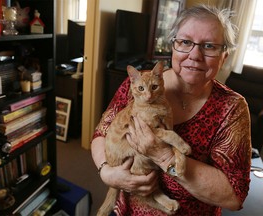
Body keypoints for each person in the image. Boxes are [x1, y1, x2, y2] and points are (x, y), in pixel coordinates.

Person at [91, 4, 251, 216]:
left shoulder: (232, 109)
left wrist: (164, 156)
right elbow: (100, 133)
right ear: (172, 46)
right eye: (185, 42)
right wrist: (107, 173)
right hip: (126, 210)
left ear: (225, 56)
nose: (194, 55)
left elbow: (234, 195)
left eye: (209, 46)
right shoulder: (138, 86)